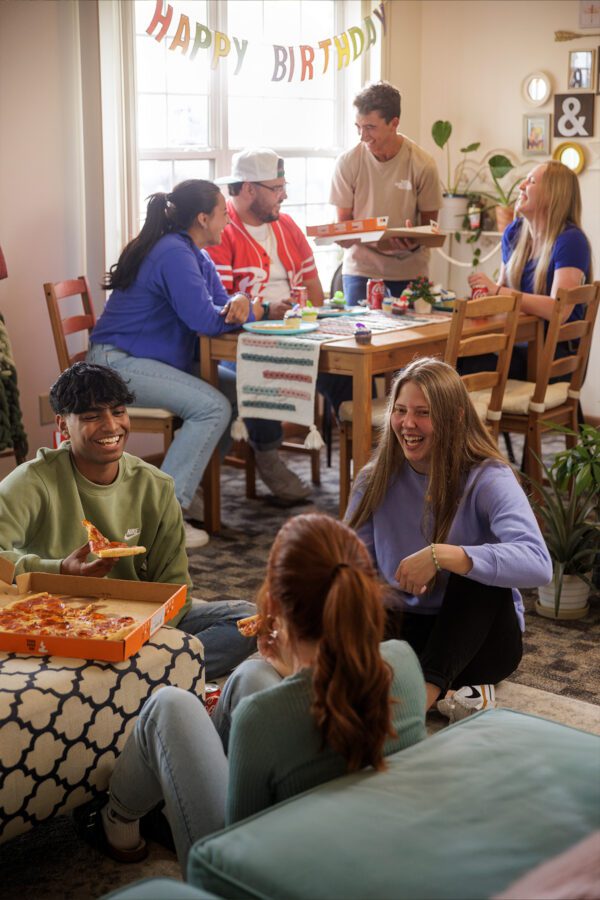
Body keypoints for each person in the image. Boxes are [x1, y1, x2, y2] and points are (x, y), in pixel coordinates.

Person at [94, 513, 426, 871]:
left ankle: (117, 818)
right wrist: (286, 661)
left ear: (276, 605)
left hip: (269, 875)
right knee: (251, 672)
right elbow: (319, 682)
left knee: (169, 704)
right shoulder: (404, 663)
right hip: (363, 848)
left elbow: (242, 839)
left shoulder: (264, 719)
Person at [0, 363, 256, 679]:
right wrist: (60, 570)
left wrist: (143, 633)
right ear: (63, 426)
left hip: (137, 621)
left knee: (248, 620)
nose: (111, 426)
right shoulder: (32, 480)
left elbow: (175, 586)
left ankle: (133, 675)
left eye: (119, 412)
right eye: (92, 417)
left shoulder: (156, 486)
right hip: (55, 621)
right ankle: (153, 674)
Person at [345, 357, 552, 721]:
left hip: (479, 641)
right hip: (407, 628)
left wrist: (445, 555)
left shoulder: (489, 477)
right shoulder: (371, 480)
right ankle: (446, 693)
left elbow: (538, 563)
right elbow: (349, 565)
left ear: (455, 417)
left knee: (478, 573)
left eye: (423, 413)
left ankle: (419, 700)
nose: (408, 424)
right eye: (401, 410)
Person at [87, 179, 254, 549]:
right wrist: (238, 309)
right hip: (116, 364)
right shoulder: (173, 254)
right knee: (212, 407)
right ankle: (165, 517)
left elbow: (226, 306)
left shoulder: (195, 254)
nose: (228, 220)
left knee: (233, 388)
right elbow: (207, 321)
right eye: (224, 213)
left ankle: (192, 489)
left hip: (144, 359)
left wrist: (242, 299)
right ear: (202, 218)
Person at [207, 148, 353, 503]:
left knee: (346, 372)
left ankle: (358, 458)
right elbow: (221, 302)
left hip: (300, 333)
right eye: (276, 188)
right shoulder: (219, 230)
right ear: (247, 189)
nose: (284, 195)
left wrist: (319, 320)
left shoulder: (286, 226)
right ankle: (268, 455)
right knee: (263, 366)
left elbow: (313, 285)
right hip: (243, 340)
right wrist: (266, 312)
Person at [467, 160, 592, 379]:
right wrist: (485, 295)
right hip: (518, 347)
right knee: (449, 362)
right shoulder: (514, 233)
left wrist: (496, 291)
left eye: (531, 181)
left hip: (553, 356)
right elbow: (503, 295)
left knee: (455, 368)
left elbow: (559, 310)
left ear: (552, 195)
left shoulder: (571, 240)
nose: (521, 186)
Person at [330, 81, 442, 306]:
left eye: (370, 127)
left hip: (409, 271)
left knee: (411, 339)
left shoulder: (423, 164)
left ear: (394, 123)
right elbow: (344, 222)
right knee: (360, 336)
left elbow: (430, 229)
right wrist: (341, 236)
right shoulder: (348, 162)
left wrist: (413, 241)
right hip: (361, 269)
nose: (363, 136)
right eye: (358, 127)